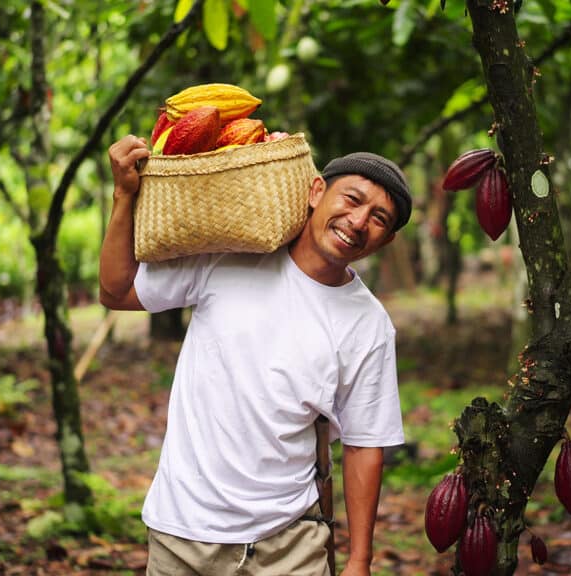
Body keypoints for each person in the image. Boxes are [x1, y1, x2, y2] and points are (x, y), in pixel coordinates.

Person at [100, 134, 412, 576]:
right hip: (183, 533)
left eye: (379, 217)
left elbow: (364, 445)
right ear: (317, 191)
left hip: (289, 545)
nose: (358, 221)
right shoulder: (229, 256)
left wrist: (360, 559)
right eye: (352, 199)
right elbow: (116, 291)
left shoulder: (369, 325)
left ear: (386, 241)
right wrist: (124, 195)